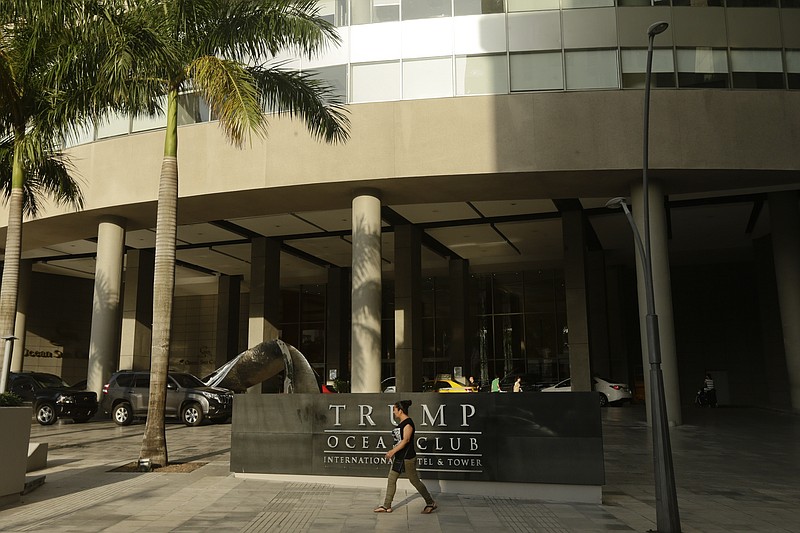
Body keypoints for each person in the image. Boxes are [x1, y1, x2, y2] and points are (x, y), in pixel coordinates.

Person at [373, 400, 437, 514]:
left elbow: (405, 440)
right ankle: (386, 506)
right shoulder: (402, 423)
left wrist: (392, 451)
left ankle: (430, 502)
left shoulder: (408, 423)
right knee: (391, 479)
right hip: (399, 458)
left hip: (407, 458)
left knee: (415, 481)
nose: (393, 412)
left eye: (394, 410)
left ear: (400, 410)